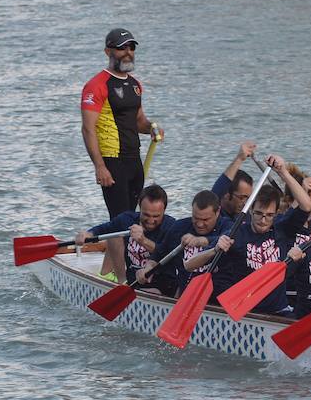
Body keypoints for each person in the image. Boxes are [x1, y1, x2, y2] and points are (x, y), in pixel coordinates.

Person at [186, 155, 311, 315]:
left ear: (276, 213)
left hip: (278, 310)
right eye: (258, 213)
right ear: (250, 210)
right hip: (245, 311)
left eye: (269, 215)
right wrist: (215, 249)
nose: (263, 220)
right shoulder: (236, 233)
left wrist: (282, 172)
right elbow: (189, 265)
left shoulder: (282, 228)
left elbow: (306, 204)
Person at [81, 28, 163, 219]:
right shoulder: (97, 85)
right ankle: (116, 248)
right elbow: (87, 129)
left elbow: (139, 121)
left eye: (131, 47)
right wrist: (100, 167)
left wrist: (152, 127)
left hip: (134, 160)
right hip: (112, 161)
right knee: (119, 220)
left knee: (133, 218)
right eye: (121, 48)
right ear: (108, 52)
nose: (128, 52)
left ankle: (125, 249)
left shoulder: (135, 84)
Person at [75, 185, 175, 288]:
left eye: (156, 216)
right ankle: (122, 283)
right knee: (114, 233)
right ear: (140, 207)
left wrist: (143, 241)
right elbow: (104, 228)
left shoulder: (172, 227)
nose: (150, 221)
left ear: (164, 210)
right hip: (133, 282)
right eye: (146, 215)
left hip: (160, 285)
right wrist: (87, 234)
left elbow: (169, 254)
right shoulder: (127, 219)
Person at [136, 190, 228, 296]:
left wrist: (201, 241)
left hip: (217, 297)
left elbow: (228, 238)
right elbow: (159, 254)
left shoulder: (228, 226)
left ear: (217, 212)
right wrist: (147, 268)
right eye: (196, 218)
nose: (200, 224)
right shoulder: (179, 227)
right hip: (185, 296)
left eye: (205, 219)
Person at [211, 141, 256, 224]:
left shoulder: (249, 216)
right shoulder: (213, 214)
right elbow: (217, 191)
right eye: (242, 198)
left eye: (248, 199)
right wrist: (239, 159)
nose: (246, 203)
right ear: (227, 195)